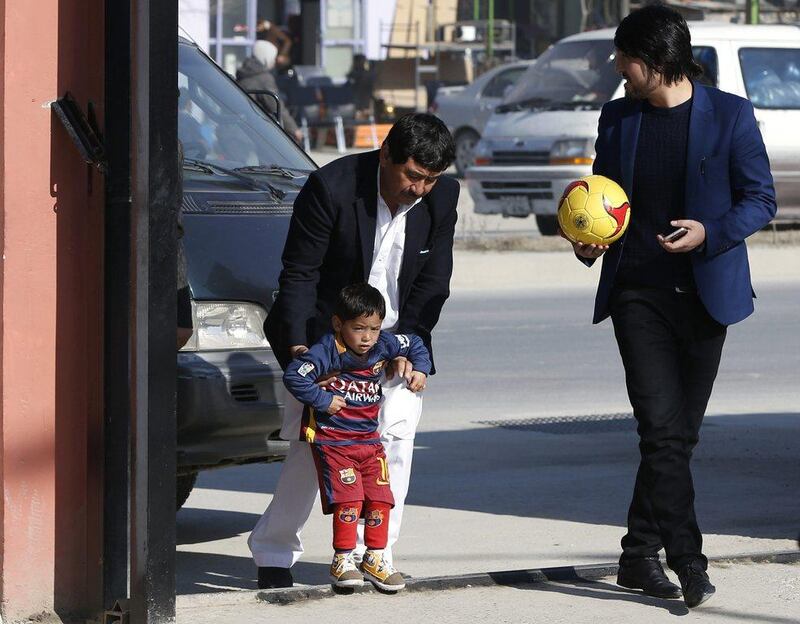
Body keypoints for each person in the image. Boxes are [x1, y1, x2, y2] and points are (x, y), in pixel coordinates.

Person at [567, 4, 776, 609]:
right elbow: (601, 199)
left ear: (655, 61)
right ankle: (687, 558)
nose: (617, 67)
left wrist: (710, 231)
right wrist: (588, 239)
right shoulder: (619, 116)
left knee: (676, 438)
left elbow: (759, 199)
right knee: (660, 430)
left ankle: (637, 555)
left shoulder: (729, 115)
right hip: (639, 293)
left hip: (705, 296)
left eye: (623, 57)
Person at [248, 113, 458, 589]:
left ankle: (375, 553)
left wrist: (414, 343)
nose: (422, 189)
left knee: (395, 447)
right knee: (314, 451)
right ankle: (274, 553)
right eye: (413, 176)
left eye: (431, 179)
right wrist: (306, 353)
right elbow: (299, 275)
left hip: (393, 344)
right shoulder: (332, 187)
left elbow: (433, 282)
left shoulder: (444, 197)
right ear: (386, 155)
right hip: (328, 345)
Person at [283, 283, 431, 590]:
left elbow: (414, 342)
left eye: (374, 329)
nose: (367, 338)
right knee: (349, 501)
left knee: (380, 499)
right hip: (335, 441)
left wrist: (421, 369)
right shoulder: (326, 351)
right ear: (339, 324)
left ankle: (375, 557)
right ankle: (342, 560)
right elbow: (294, 376)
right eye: (358, 328)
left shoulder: (382, 344)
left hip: (369, 441)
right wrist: (323, 401)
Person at [236, 40, 301, 142]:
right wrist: (294, 129)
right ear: (266, 57)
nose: (274, 61)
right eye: (273, 57)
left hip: (241, 127)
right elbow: (276, 106)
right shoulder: (263, 77)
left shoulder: (243, 73)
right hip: (257, 132)